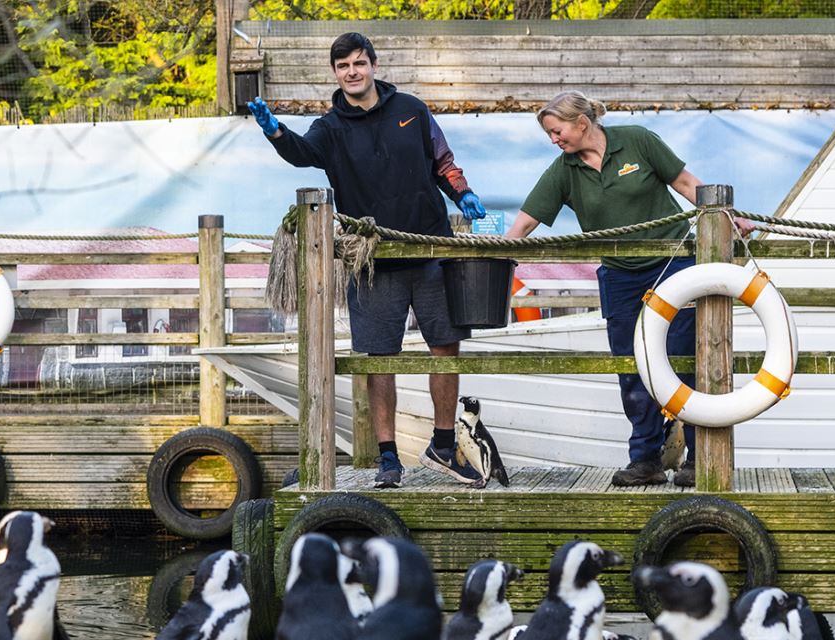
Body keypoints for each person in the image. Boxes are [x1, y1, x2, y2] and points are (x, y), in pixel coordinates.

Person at [246, 32, 489, 489]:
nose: (352, 72)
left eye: (359, 63)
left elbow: (442, 160)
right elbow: (303, 154)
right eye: (343, 67)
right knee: (380, 359)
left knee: (445, 348)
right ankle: (388, 458)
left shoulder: (411, 110)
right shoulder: (330, 127)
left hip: (430, 248)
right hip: (372, 260)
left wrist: (464, 193)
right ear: (335, 73)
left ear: (373, 65)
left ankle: (441, 444)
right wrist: (274, 130)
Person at [506, 91, 754, 487]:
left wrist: (729, 217)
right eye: (549, 134)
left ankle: (696, 457)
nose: (554, 140)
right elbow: (527, 220)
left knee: (685, 357)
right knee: (631, 366)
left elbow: (687, 183)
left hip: (673, 263)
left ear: (581, 123)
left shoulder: (637, 140)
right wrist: (500, 252)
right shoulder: (564, 170)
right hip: (620, 276)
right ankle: (645, 459)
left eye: (557, 131)